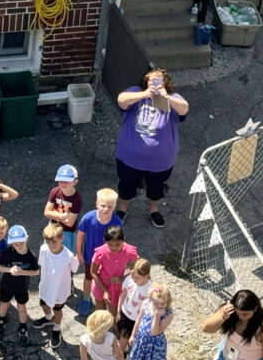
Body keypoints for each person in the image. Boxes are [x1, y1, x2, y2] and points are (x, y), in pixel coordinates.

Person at [114, 69, 189, 229]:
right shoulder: (136, 92)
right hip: (130, 157)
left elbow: (184, 109)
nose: (155, 84)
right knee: (126, 185)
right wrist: (145, 94)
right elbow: (121, 100)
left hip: (160, 161)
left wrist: (166, 97)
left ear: (165, 83)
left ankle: (153, 209)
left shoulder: (172, 98)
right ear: (145, 82)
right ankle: (123, 208)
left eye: (159, 81)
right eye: (151, 81)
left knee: (156, 187)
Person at [127, 284, 175, 360]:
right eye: (156, 303)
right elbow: (138, 319)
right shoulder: (146, 304)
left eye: (162, 304)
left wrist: (157, 316)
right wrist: (133, 335)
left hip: (156, 346)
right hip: (143, 341)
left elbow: (155, 332)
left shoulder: (169, 315)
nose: (159, 306)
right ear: (151, 300)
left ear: (168, 302)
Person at [76, 188, 123, 316]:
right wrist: (79, 253)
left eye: (110, 206)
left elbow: (120, 240)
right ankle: (86, 298)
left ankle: (105, 298)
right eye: (103, 205)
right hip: (90, 257)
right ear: (97, 204)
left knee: (106, 279)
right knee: (88, 277)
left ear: (115, 206)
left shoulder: (117, 221)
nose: (106, 209)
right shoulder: (88, 218)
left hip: (109, 259)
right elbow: (80, 235)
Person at [33, 223, 78, 348]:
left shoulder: (68, 255)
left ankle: (57, 328)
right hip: (46, 285)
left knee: (57, 309)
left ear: (61, 238)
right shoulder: (44, 249)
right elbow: (42, 263)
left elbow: (74, 268)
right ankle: (49, 318)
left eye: (54, 242)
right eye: (48, 242)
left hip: (60, 289)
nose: (51, 245)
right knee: (43, 303)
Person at [0, 225, 39, 340]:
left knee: (22, 307)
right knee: (4, 304)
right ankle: (1, 321)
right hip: (6, 285)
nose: (18, 245)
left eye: (21, 242)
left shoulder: (31, 256)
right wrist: (9, 270)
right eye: (15, 243)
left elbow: (36, 272)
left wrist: (22, 272)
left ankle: (23, 327)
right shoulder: (7, 252)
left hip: (22, 287)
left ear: (26, 239)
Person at [116, 258, 153, 360]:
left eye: (137, 277)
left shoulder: (150, 289)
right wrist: (118, 311)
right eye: (132, 275)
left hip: (138, 320)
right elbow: (124, 294)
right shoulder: (129, 279)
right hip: (126, 313)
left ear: (146, 276)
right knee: (123, 337)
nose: (133, 279)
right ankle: (122, 354)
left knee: (135, 342)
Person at [88, 225, 139, 314]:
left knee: (114, 311)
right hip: (100, 284)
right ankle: (102, 327)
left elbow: (139, 266)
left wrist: (123, 279)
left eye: (117, 244)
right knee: (100, 309)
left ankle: (115, 327)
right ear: (105, 241)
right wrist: (104, 290)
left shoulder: (129, 251)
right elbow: (93, 272)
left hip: (117, 285)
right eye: (110, 244)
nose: (114, 248)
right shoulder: (100, 252)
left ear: (123, 239)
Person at [42, 163, 83, 253]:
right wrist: (61, 216)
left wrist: (54, 214)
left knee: (66, 256)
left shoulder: (77, 199)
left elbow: (70, 223)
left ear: (75, 182)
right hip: (52, 229)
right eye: (61, 181)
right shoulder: (55, 191)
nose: (63, 184)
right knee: (49, 252)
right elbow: (46, 213)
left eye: (67, 181)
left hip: (67, 232)